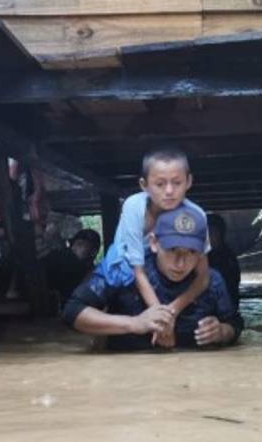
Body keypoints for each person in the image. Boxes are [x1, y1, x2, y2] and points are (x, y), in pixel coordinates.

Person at [63, 207, 242, 351]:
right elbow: (73, 311)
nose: (181, 264)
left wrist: (222, 332)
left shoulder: (213, 281)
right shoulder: (124, 269)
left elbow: (235, 323)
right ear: (154, 243)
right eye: (172, 250)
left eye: (192, 252)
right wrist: (134, 324)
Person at [96, 146, 211, 346]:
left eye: (177, 183)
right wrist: (162, 319)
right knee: (110, 302)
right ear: (144, 185)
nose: (169, 191)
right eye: (159, 184)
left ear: (189, 182)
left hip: (165, 269)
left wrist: (170, 313)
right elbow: (137, 271)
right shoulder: (133, 207)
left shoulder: (196, 215)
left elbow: (203, 276)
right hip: (126, 265)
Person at [45, 228, 102, 305]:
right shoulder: (66, 270)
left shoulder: (98, 276)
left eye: (80, 244)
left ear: (93, 252)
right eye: (73, 245)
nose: (73, 248)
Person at [206, 214, 241, 308]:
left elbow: (232, 284)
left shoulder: (228, 257)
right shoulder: (199, 256)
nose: (210, 237)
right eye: (207, 232)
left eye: (213, 232)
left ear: (221, 234)